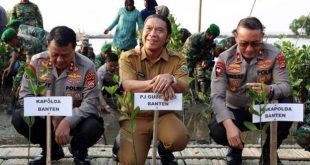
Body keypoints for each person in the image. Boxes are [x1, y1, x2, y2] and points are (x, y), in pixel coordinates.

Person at [11, 26, 104, 165]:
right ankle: (52, 150)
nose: (60, 60)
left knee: (94, 126)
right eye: (54, 54)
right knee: (19, 117)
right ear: (48, 46)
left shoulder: (88, 66)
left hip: (76, 119)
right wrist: (52, 113)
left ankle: (78, 150)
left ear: (74, 48)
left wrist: (67, 120)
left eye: (65, 55)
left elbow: (91, 102)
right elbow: (25, 96)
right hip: (45, 118)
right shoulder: (36, 62)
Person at [208, 17, 293, 165]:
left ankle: (268, 152)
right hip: (234, 111)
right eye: (243, 43)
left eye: (255, 44)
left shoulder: (275, 55)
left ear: (262, 37)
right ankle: (235, 149)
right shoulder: (224, 59)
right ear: (236, 37)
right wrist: (229, 126)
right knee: (218, 131)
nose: (249, 49)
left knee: (288, 103)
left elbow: (286, 86)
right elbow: (216, 97)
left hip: (262, 110)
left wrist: (270, 90)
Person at [117, 14, 189, 165]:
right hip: (135, 116)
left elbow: (184, 87)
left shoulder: (178, 59)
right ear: (142, 32)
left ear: (168, 36)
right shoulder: (128, 57)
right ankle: (119, 143)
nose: (153, 34)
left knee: (178, 140)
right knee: (130, 161)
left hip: (164, 114)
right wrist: (159, 82)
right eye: (148, 29)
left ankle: (164, 148)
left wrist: (172, 79)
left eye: (159, 30)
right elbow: (127, 84)